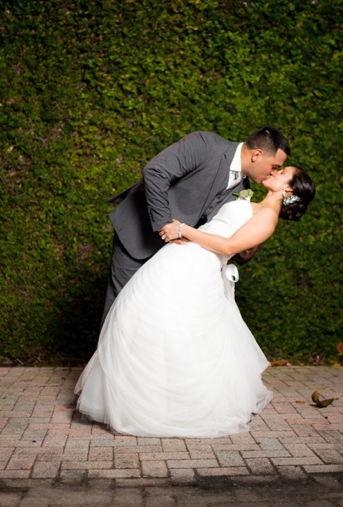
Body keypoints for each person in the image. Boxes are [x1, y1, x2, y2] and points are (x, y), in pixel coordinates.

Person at [76, 165, 315, 438]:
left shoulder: (269, 217)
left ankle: (170, 408)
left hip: (197, 268)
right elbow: (242, 247)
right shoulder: (256, 205)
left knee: (177, 330)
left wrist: (184, 230)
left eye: (283, 172)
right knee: (142, 318)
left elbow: (227, 247)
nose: (275, 170)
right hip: (180, 259)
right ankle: (147, 400)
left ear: (288, 190)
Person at [102, 127, 291, 322]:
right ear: (257, 155)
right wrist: (165, 224)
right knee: (119, 312)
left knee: (151, 317)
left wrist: (245, 251)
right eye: (274, 166)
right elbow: (156, 172)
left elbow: (221, 234)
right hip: (138, 236)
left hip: (171, 259)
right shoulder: (205, 144)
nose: (273, 173)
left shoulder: (243, 189)